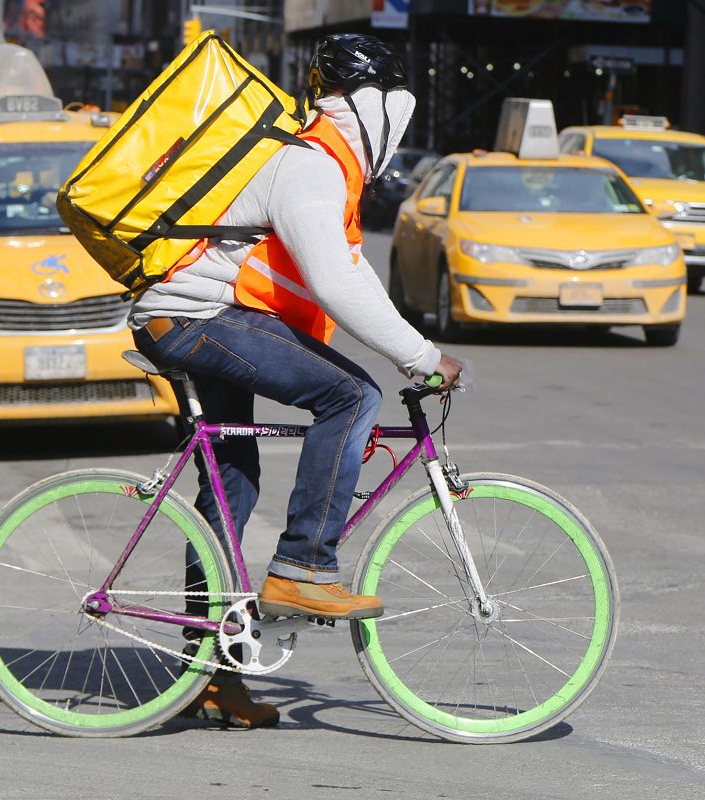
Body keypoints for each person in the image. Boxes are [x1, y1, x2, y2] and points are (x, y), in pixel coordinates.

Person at [130, 33, 461, 728]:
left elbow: (353, 272)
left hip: (193, 315)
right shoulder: (311, 164)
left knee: (231, 485)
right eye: (393, 103)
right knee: (352, 396)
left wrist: (413, 344)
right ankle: (304, 569)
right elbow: (335, 281)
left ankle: (208, 678)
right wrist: (421, 357)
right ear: (373, 104)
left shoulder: (327, 165)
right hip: (193, 318)